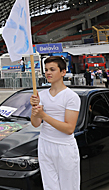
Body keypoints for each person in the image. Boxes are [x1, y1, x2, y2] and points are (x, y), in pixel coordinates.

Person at [30, 56, 80, 190]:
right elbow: (35, 123)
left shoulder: (71, 97)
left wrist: (44, 115)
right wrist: (34, 110)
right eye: (46, 70)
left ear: (63, 72)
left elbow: (69, 128)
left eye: (52, 69)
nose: (48, 73)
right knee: (49, 186)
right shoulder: (41, 95)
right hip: (45, 143)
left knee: (68, 186)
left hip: (64, 146)